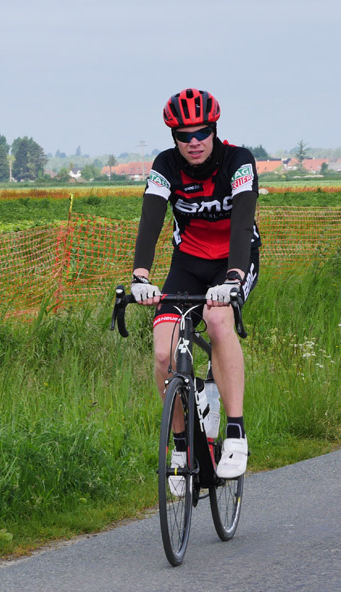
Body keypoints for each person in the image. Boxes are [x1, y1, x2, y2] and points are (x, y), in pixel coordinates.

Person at [130, 88, 261, 488]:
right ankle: (181, 444)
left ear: (214, 130)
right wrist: (140, 276)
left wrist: (234, 277)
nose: (194, 142)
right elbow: (151, 219)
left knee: (217, 320)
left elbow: (242, 223)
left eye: (202, 132)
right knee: (162, 353)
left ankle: (235, 432)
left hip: (233, 260)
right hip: (188, 262)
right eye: (183, 135)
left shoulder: (238, 161)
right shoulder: (165, 165)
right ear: (174, 137)